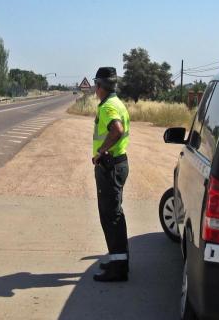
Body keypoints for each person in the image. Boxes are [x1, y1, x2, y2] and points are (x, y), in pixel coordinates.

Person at [91, 67, 131, 282]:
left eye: (96, 85)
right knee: (115, 214)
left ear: (100, 86)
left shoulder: (107, 107)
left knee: (110, 217)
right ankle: (118, 260)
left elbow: (116, 130)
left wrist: (101, 152)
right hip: (119, 163)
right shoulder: (117, 103)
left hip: (110, 166)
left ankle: (118, 269)